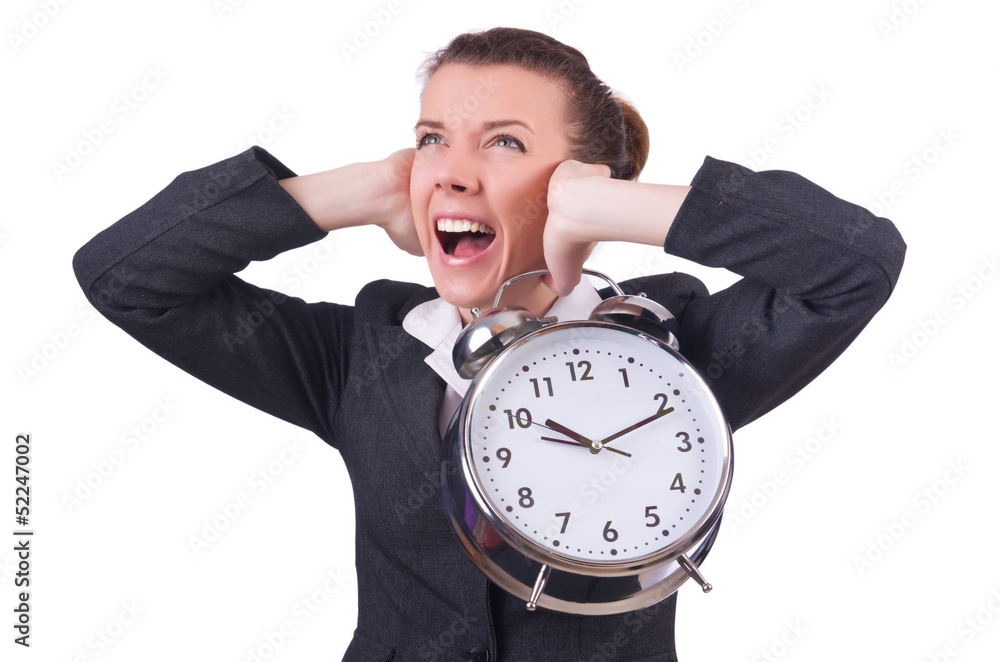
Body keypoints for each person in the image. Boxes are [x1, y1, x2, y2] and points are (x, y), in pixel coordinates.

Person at [74, 27, 905, 662]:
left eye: (503, 142)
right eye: (434, 138)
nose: (451, 172)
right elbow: (125, 276)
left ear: (582, 177)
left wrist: (622, 208)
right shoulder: (362, 353)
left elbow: (855, 264)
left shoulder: (684, 354)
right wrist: (356, 188)